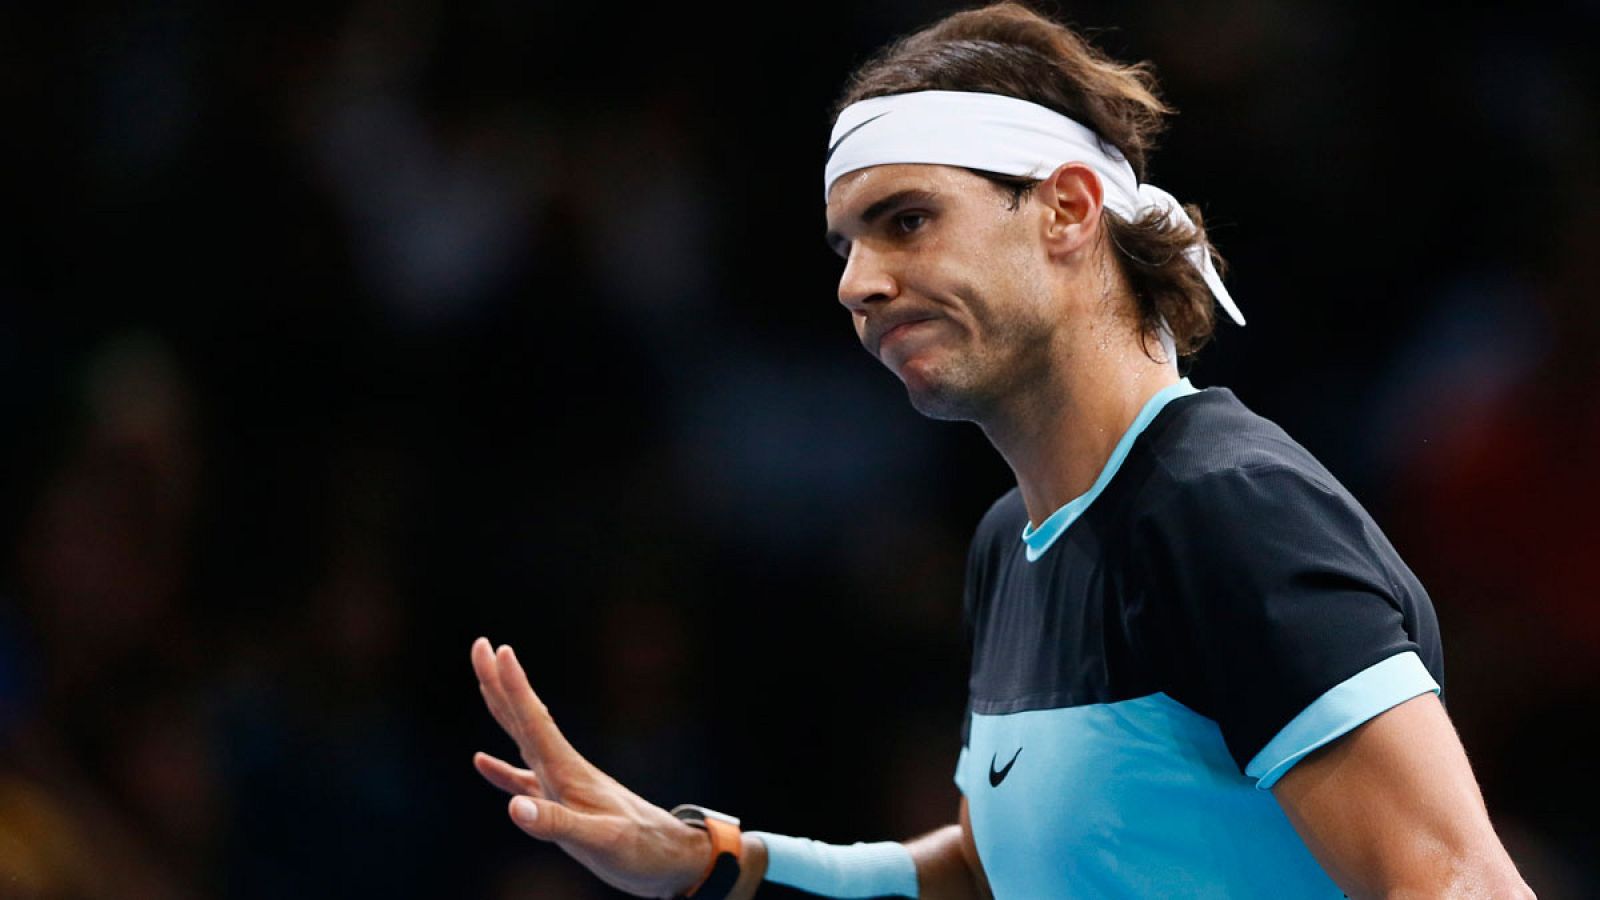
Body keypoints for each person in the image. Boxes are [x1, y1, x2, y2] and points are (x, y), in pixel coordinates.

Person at [469, 4, 1534, 897]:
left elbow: (1457, 883)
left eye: (907, 220)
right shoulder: (1007, 543)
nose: (855, 283)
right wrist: (711, 859)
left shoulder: (1225, 512)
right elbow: (1000, 866)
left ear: (1065, 209)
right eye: (846, 245)